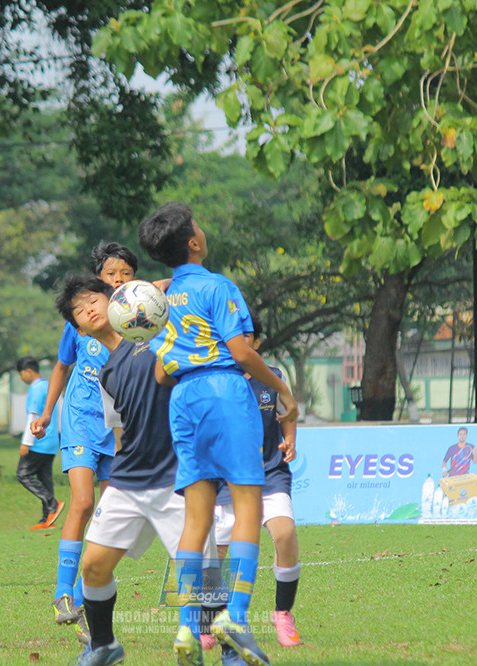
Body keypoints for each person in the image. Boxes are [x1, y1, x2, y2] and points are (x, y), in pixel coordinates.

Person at [138, 202, 298, 666]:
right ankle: (237, 616)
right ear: (194, 242)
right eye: (199, 226)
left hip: (184, 401)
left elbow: (162, 375)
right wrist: (283, 390)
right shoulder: (219, 286)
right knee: (248, 507)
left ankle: (189, 625)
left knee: (197, 520)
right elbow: (243, 354)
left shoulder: (161, 302)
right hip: (227, 392)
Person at [51, 274, 220, 666]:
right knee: (93, 566)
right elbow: (120, 432)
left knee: (194, 567)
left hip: (174, 476)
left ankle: (193, 642)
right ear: (78, 328)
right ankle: (105, 646)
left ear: (117, 301)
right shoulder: (107, 372)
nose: (88, 308)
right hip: (129, 479)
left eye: (94, 299)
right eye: (79, 309)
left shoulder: (156, 341)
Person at [30, 242, 137, 642]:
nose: (120, 280)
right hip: (79, 421)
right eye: (112, 274)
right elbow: (62, 366)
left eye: (127, 274)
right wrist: (45, 412)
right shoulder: (80, 321)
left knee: (112, 514)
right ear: (98, 282)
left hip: (119, 430)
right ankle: (62, 592)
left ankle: (83, 598)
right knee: (84, 501)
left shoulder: (137, 324)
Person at [211, 311, 301, 650]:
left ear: (256, 342)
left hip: (269, 474)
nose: (238, 341)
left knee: (285, 533)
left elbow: (288, 411)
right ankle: (211, 619)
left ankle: (282, 614)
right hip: (225, 481)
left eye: (245, 336)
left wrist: (290, 437)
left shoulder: (273, 378)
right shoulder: (215, 379)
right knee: (216, 551)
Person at [15, 355, 63, 529]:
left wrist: (26, 442)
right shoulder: (48, 386)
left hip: (38, 440)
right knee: (44, 478)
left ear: (28, 371)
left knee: (23, 474)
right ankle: (47, 518)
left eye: (21, 374)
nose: (21, 378)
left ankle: (52, 503)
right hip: (51, 441)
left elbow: (33, 415)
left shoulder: (36, 388)